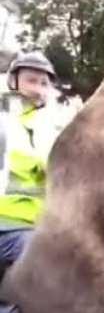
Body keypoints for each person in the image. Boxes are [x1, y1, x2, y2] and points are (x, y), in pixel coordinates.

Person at [0, 51, 59, 269]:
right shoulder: (21, 121)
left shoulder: (47, 123)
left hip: (29, 226)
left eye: (44, 83)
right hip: (15, 227)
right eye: (31, 81)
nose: (38, 89)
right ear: (13, 82)